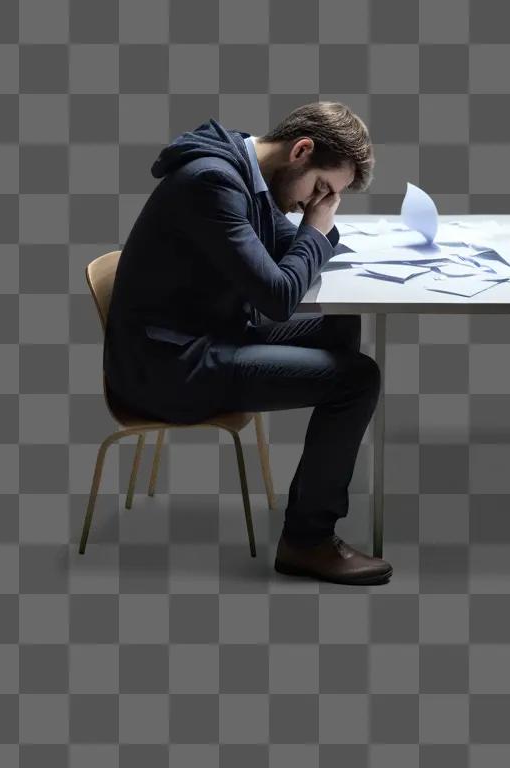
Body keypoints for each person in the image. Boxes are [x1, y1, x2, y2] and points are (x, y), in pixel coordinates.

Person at [103, 101, 392, 585]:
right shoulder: (211, 183)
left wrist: (314, 230)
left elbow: (287, 245)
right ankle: (307, 540)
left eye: (331, 197)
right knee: (358, 380)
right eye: (321, 188)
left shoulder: (249, 170)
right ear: (301, 150)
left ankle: (320, 487)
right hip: (167, 367)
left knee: (343, 325)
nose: (315, 203)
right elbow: (279, 296)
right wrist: (317, 230)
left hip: (207, 334)